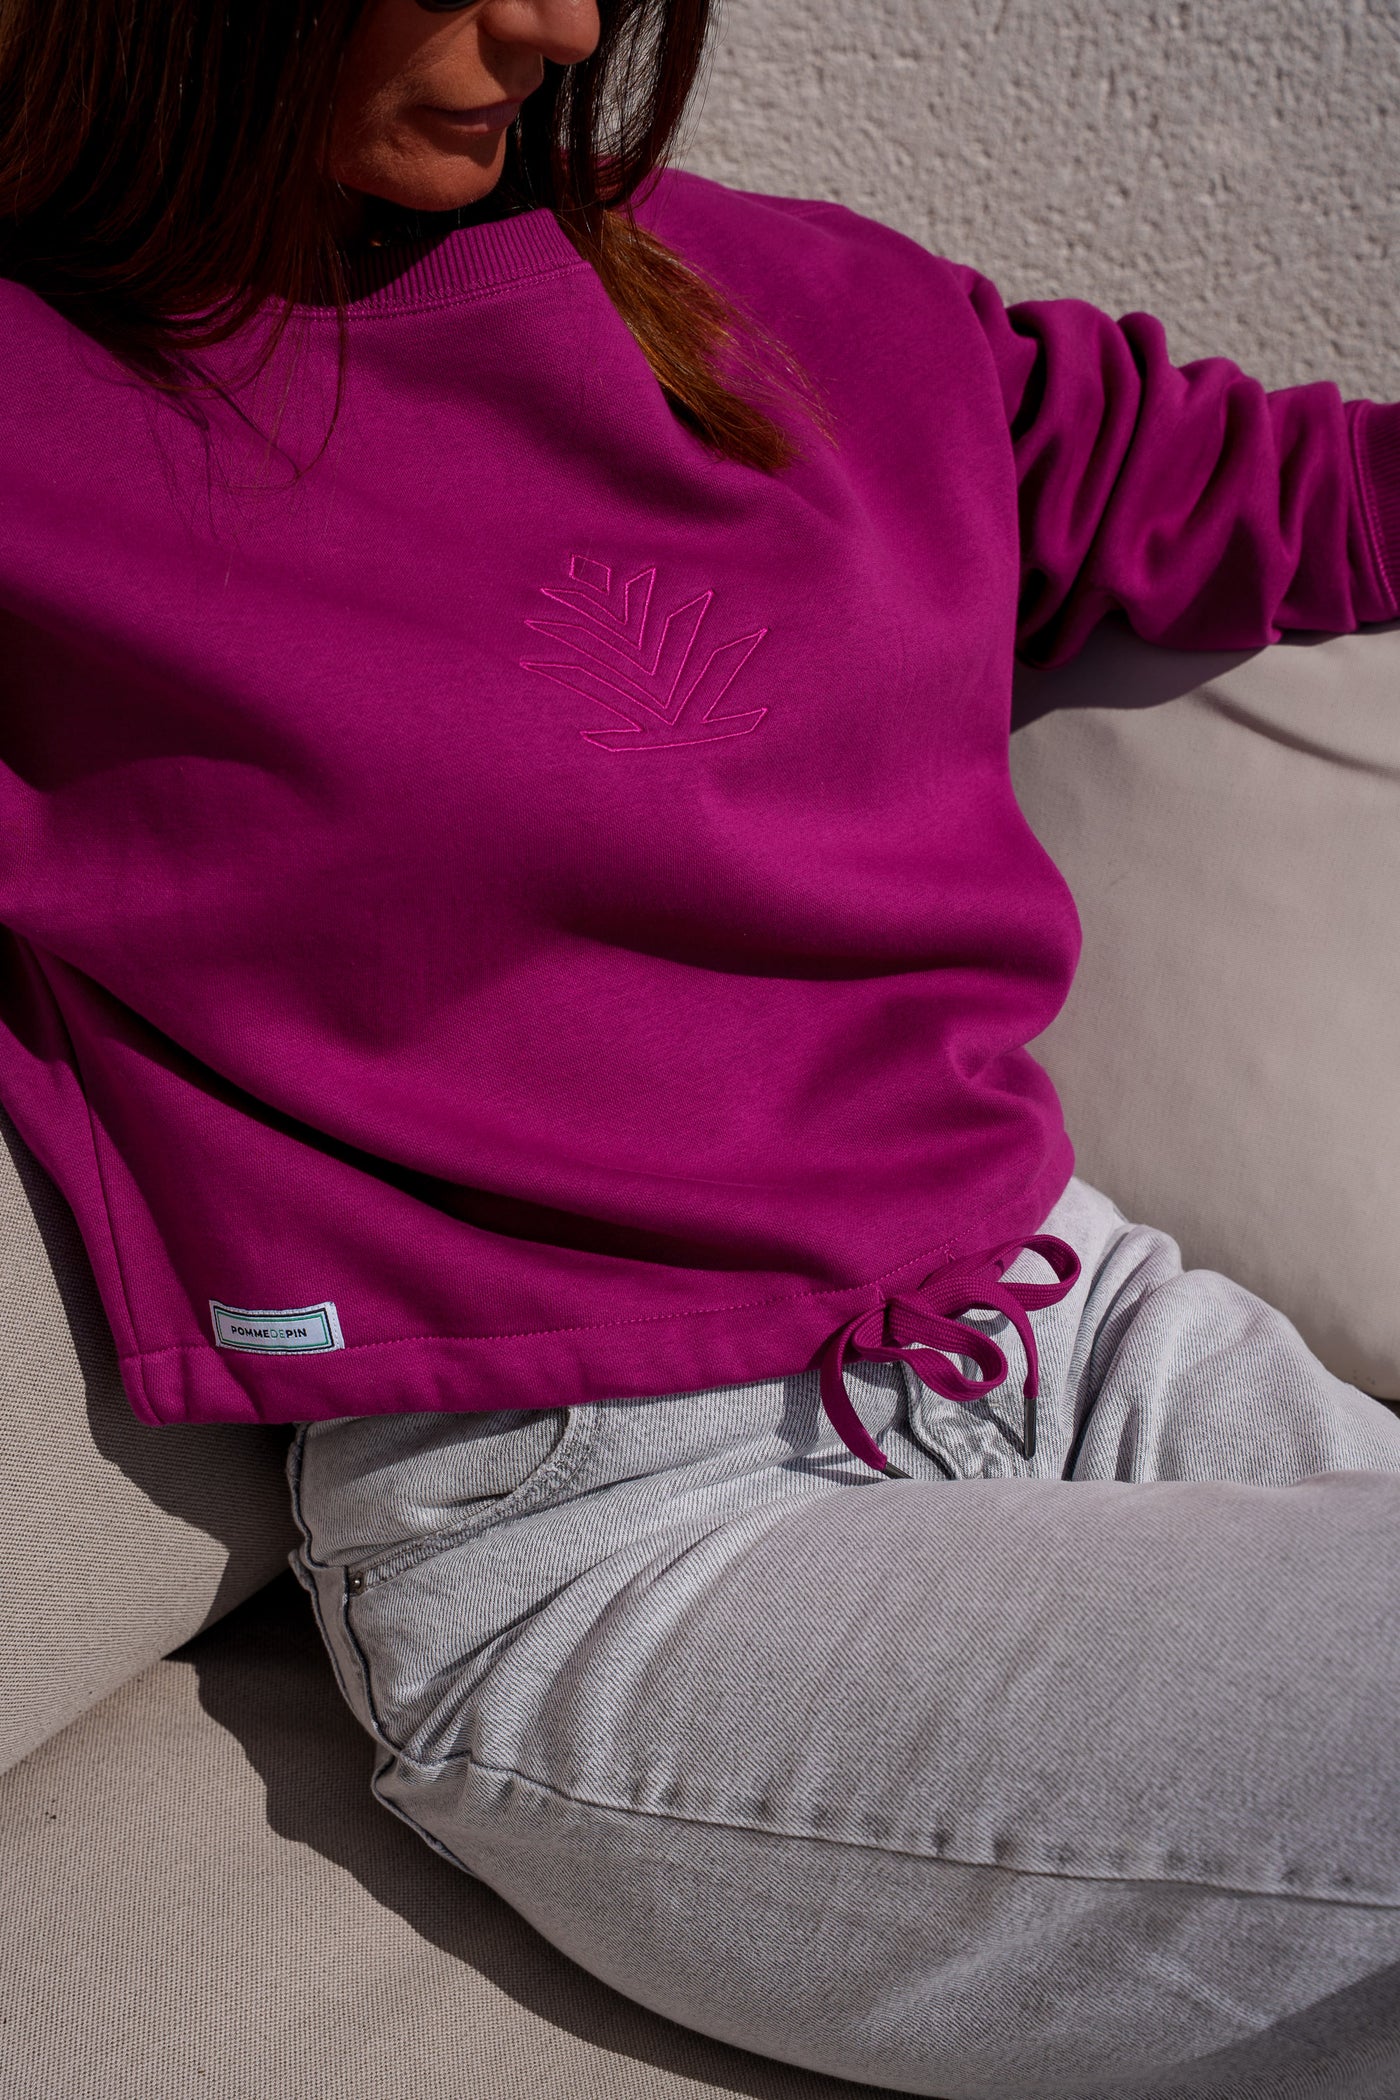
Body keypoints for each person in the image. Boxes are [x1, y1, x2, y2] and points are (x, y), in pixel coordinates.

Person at [2, 1, 1399, 2093]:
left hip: (1084, 1326)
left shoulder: (794, 301)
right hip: (621, 1535)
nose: (563, 23)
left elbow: (1272, 495)